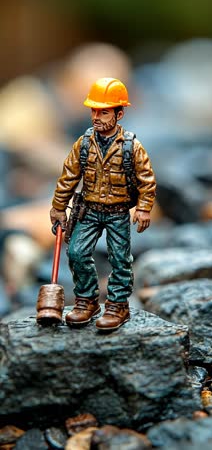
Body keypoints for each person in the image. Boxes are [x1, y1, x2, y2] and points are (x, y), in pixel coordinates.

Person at [50, 77, 156, 330]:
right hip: (88, 209)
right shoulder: (84, 144)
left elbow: (147, 179)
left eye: (103, 111)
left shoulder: (132, 146)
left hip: (119, 212)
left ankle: (118, 305)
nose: (96, 117)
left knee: (120, 259)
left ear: (119, 114)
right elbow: (68, 176)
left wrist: (143, 208)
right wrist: (58, 207)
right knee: (76, 252)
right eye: (93, 110)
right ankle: (86, 300)